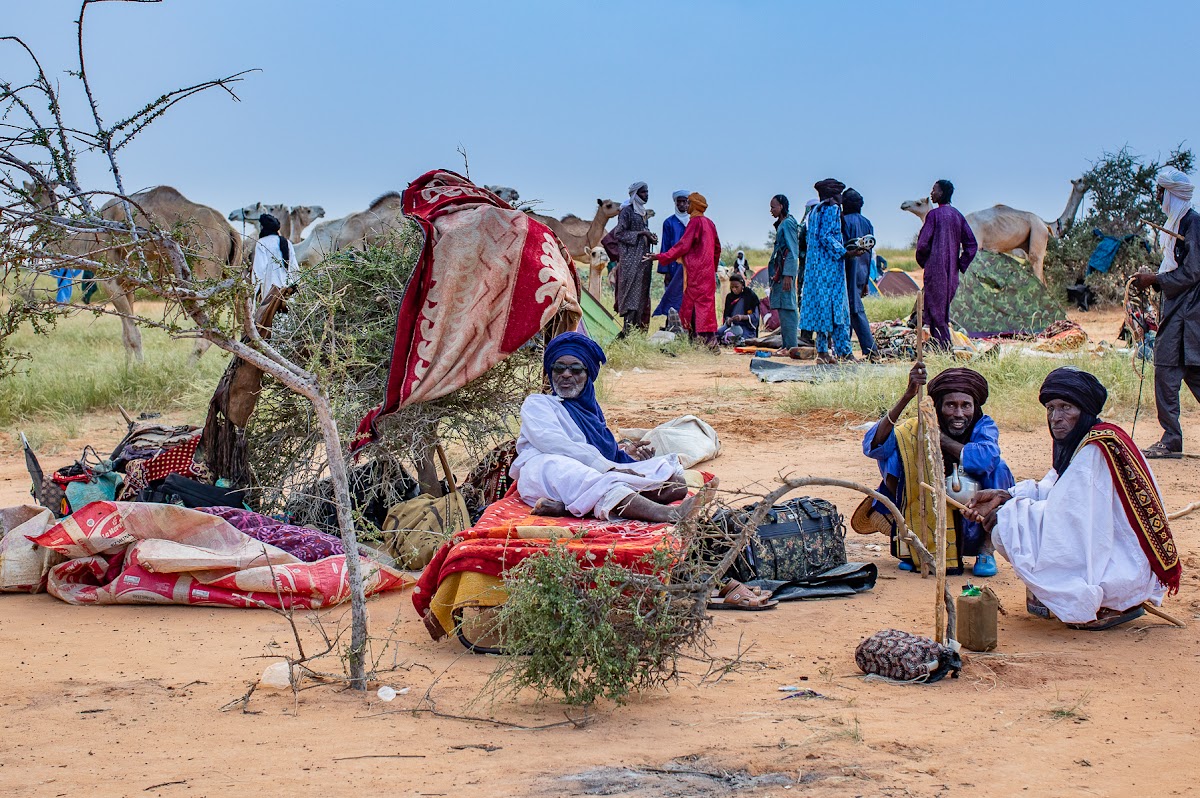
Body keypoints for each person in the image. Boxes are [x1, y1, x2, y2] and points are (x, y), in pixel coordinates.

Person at [967, 368, 1181, 629]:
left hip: (1125, 571)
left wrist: (1006, 512)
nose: (1055, 418)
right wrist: (1006, 495)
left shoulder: (1095, 449)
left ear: (1084, 410)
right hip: (1125, 559)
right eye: (1050, 408)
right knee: (1014, 521)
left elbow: (1066, 516)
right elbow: (1057, 487)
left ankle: (1103, 601)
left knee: (1006, 529)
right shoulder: (1089, 438)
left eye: (1065, 407)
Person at [510, 332, 715, 522]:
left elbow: (602, 453)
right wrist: (610, 467)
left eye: (575, 369)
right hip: (550, 472)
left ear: (587, 375)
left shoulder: (592, 413)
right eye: (559, 368)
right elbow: (553, 443)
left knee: (675, 483)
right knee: (569, 470)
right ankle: (670, 513)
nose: (565, 374)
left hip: (597, 471)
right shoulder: (538, 403)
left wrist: (624, 453)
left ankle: (566, 508)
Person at [864, 365, 1014, 576]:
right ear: (939, 407)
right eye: (951, 405)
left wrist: (940, 439)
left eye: (966, 406)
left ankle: (985, 550)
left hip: (971, 515)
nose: (959, 413)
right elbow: (874, 447)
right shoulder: (920, 426)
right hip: (927, 510)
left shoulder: (984, 425)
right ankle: (912, 547)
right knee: (899, 453)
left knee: (999, 468)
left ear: (975, 406)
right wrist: (908, 396)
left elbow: (985, 459)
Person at [1132, 169, 1200, 458]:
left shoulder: (1192, 223)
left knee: (1173, 368)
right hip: (1180, 309)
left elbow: (1193, 271)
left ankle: (1171, 439)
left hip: (1190, 312)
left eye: (1161, 192)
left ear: (1172, 194)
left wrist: (1156, 281)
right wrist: (1154, 277)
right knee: (1173, 370)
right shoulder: (1178, 222)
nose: (1158, 196)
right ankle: (1171, 438)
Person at [646, 193, 721, 348]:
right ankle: (710, 341)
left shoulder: (695, 222)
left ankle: (698, 341)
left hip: (695, 272)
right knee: (706, 305)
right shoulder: (710, 223)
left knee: (692, 305)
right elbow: (717, 248)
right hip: (707, 273)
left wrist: (660, 257)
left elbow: (682, 246)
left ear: (694, 205)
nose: (687, 206)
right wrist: (711, 267)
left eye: (689, 203)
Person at [915, 179, 977, 350]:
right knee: (940, 311)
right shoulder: (958, 216)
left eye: (934, 190)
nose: (931, 193)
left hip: (936, 271)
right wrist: (959, 264)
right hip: (952, 274)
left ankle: (945, 350)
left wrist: (924, 261)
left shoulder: (933, 216)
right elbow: (972, 245)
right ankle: (938, 348)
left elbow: (922, 245)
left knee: (937, 314)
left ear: (941, 193)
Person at [801, 179, 851, 363]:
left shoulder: (814, 211)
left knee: (821, 310)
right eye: (839, 193)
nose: (841, 197)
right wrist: (845, 252)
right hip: (830, 268)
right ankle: (844, 352)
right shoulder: (832, 209)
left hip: (815, 269)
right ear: (832, 194)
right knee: (838, 309)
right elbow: (826, 236)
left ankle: (822, 352)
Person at [612, 182, 657, 335]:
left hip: (643, 260)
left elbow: (644, 231)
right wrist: (641, 234)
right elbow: (619, 234)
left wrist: (650, 236)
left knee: (641, 294)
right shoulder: (626, 212)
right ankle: (627, 330)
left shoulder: (643, 213)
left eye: (647, 192)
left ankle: (637, 331)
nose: (646, 195)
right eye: (643, 192)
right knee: (631, 293)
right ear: (635, 194)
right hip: (630, 260)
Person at [840, 188, 878, 360]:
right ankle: (846, 347)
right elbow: (869, 253)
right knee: (850, 308)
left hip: (848, 270)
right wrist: (865, 282)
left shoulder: (844, 221)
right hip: (862, 272)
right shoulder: (867, 223)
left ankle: (869, 349)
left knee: (853, 309)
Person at [767, 194, 801, 350]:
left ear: (781, 206)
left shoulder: (787, 224)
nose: (771, 210)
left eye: (773, 207)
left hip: (784, 274)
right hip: (779, 274)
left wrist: (789, 274)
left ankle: (791, 346)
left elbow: (792, 250)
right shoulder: (782, 224)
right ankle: (786, 345)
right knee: (782, 307)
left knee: (788, 308)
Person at [653, 190, 690, 319]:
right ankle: (672, 324)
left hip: (690, 265)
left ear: (688, 203)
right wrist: (665, 270)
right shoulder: (669, 222)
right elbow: (665, 246)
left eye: (684, 201)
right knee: (673, 295)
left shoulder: (694, 221)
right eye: (678, 201)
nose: (681, 204)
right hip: (674, 266)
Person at [251, 213, 298, 302]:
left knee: (271, 315)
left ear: (262, 227)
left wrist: (254, 290)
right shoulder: (287, 242)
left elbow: (259, 270)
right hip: (288, 293)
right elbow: (295, 268)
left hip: (271, 294)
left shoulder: (262, 243)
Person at [717, 272, 760, 343]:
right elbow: (726, 315)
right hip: (732, 325)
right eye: (732, 287)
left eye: (736, 287)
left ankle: (729, 338)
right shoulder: (729, 297)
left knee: (741, 339)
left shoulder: (750, 296)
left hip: (746, 327)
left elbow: (755, 317)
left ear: (742, 285)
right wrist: (729, 319)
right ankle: (728, 337)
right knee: (718, 333)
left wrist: (742, 317)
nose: (734, 289)